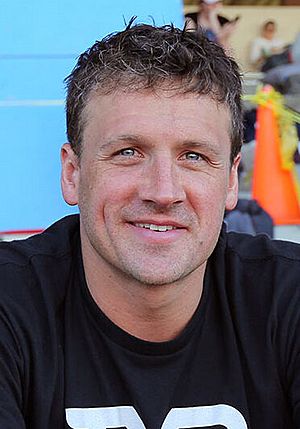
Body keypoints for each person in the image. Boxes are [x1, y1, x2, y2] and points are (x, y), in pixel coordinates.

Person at [0, 21, 299, 429]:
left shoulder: (288, 298)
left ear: (231, 181)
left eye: (193, 156)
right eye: (128, 152)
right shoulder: (11, 303)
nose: (163, 191)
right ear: (73, 173)